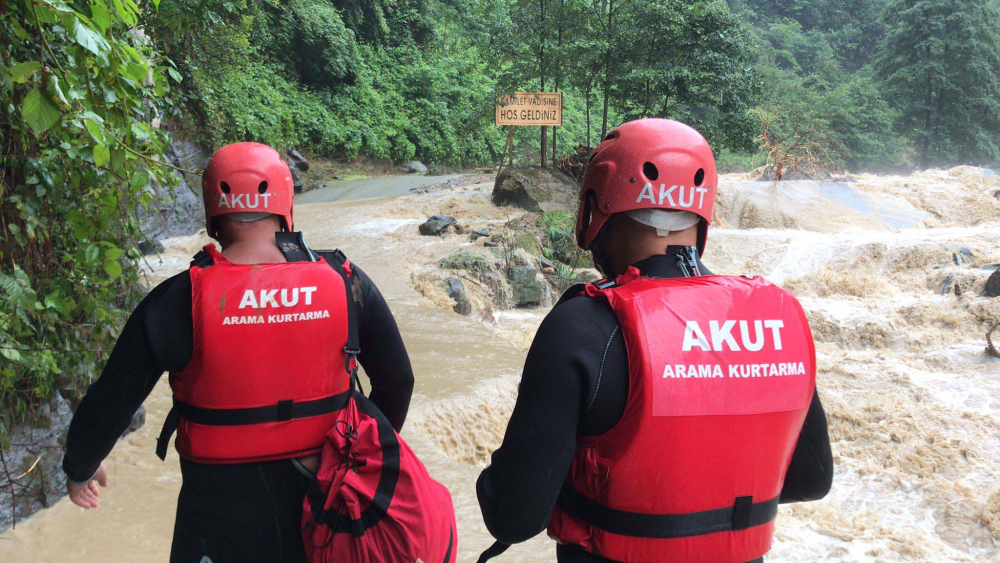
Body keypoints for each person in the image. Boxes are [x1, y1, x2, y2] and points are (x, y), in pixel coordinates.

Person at [477, 119, 834, 563]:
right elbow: (812, 481)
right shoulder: (776, 319)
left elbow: (513, 516)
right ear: (701, 215)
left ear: (596, 207)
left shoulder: (581, 327)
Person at [62, 142, 415, 563]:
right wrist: (357, 463)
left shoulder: (178, 300)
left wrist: (81, 466)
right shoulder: (347, 283)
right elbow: (397, 383)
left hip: (216, 521)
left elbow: (111, 400)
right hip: (327, 511)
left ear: (213, 212)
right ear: (285, 205)